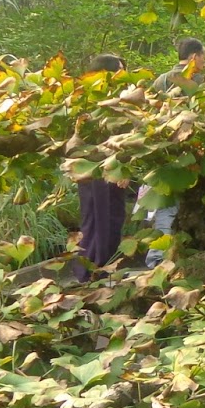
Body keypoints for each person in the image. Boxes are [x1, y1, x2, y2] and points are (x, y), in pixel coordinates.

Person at [144, 37, 205, 267]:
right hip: (195, 152)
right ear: (194, 56)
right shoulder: (200, 81)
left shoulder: (161, 80)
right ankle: (185, 257)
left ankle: (157, 258)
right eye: (203, 57)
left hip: (164, 150)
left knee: (166, 204)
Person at [72, 53, 129, 279]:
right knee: (102, 219)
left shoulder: (89, 98)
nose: (123, 74)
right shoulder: (96, 101)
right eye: (120, 69)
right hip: (100, 168)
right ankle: (96, 271)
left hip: (95, 168)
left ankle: (95, 270)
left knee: (103, 219)